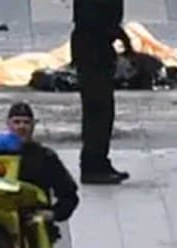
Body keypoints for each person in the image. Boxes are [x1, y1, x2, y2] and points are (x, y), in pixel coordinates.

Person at [74, 0, 132, 184]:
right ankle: (93, 165)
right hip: (92, 49)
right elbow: (92, 19)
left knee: (101, 109)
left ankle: (99, 161)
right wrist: (118, 34)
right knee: (98, 109)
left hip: (96, 47)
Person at [7, 102, 79, 223]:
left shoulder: (46, 157)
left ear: (33, 125)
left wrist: (54, 214)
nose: (21, 127)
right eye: (17, 122)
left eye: (26, 122)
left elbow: (69, 195)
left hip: (35, 222)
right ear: (8, 124)